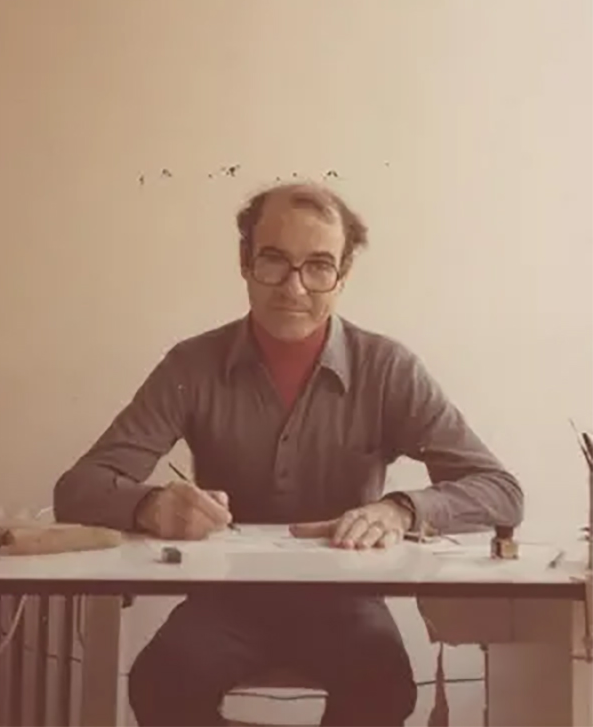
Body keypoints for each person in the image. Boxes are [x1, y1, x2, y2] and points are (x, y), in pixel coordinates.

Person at [54, 181, 523, 727]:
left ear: (343, 275)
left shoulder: (387, 368)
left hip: (347, 602)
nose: (294, 288)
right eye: (274, 260)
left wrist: (402, 510)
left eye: (319, 266)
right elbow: (78, 489)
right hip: (225, 600)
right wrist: (150, 505)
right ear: (245, 261)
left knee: (384, 689)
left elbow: (501, 492)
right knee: (160, 685)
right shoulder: (191, 365)